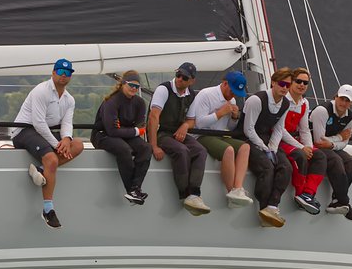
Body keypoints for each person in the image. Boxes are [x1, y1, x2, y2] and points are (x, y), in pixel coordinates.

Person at [12, 58, 85, 228]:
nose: (63, 76)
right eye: (60, 72)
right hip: (24, 131)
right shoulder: (41, 91)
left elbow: (67, 123)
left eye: (67, 73)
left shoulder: (70, 99)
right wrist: (58, 144)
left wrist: (66, 139)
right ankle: (48, 210)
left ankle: (42, 171)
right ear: (53, 73)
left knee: (78, 145)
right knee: (52, 159)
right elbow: (38, 124)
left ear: (70, 77)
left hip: (46, 133)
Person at [148, 62, 209, 215]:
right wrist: (154, 146)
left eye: (184, 77)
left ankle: (195, 193)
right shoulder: (164, 89)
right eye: (178, 75)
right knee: (181, 151)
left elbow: (191, 120)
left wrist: (185, 126)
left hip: (178, 132)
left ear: (192, 81)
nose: (180, 79)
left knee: (200, 151)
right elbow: (153, 117)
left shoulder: (192, 94)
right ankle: (184, 194)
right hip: (162, 132)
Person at [187, 71, 253, 207]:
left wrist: (234, 117)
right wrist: (219, 113)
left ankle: (238, 188)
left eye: (236, 93)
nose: (233, 95)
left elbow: (230, 126)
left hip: (219, 134)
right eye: (232, 91)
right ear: (224, 84)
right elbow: (199, 123)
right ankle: (231, 192)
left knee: (245, 147)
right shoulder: (206, 94)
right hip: (201, 134)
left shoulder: (232, 100)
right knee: (228, 150)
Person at [242, 69, 294, 227]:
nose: (285, 88)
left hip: (266, 139)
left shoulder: (285, 103)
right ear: (273, 83)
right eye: (282, 84)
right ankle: (264, 207)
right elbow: (248, 129)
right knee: (267, 168)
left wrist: (272, 147)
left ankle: (273, 205)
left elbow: (279, 129)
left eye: (288, 85)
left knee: (286, 167)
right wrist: (264, 148)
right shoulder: (257, 100)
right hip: (248, 139)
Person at [91, 70, 150, 205]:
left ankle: (136, 188)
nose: (134, 89)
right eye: (131, 85)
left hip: (122, 135)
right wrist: (134, 130)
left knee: (146, 148)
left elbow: (140, 129)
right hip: (102, 135)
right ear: (123, 84)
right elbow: (112, 131)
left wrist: (129, 130)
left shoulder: (140, 103)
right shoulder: (112, 102)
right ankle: (130, 190)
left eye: (137, 87)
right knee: (124, 149)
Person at [279, 67, 326, 215]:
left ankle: (308, 193)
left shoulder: (304, 103)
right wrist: (301, 147)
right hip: (279, 139)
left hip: (293, 139)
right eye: (298, 81)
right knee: (299, 155)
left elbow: (304, 129)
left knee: (319, 156)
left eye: (305, 83)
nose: (302, 85)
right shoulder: (283, 100)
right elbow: (280, 129)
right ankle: (299, 193)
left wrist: (309, 147)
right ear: (291, 82)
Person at [311, 84, 352, 220]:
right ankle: (345, 202)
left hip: (330, 146)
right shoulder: (322, 111)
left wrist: (332, 144)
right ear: (335, 97)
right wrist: (338, 138)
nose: (343, 103)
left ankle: (337, 200)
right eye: (341, 99)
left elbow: (345, 143)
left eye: (347, 101)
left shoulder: (351, 116)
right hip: (311, 145)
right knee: (336, 160)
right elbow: (318, 141)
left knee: (350, 162)